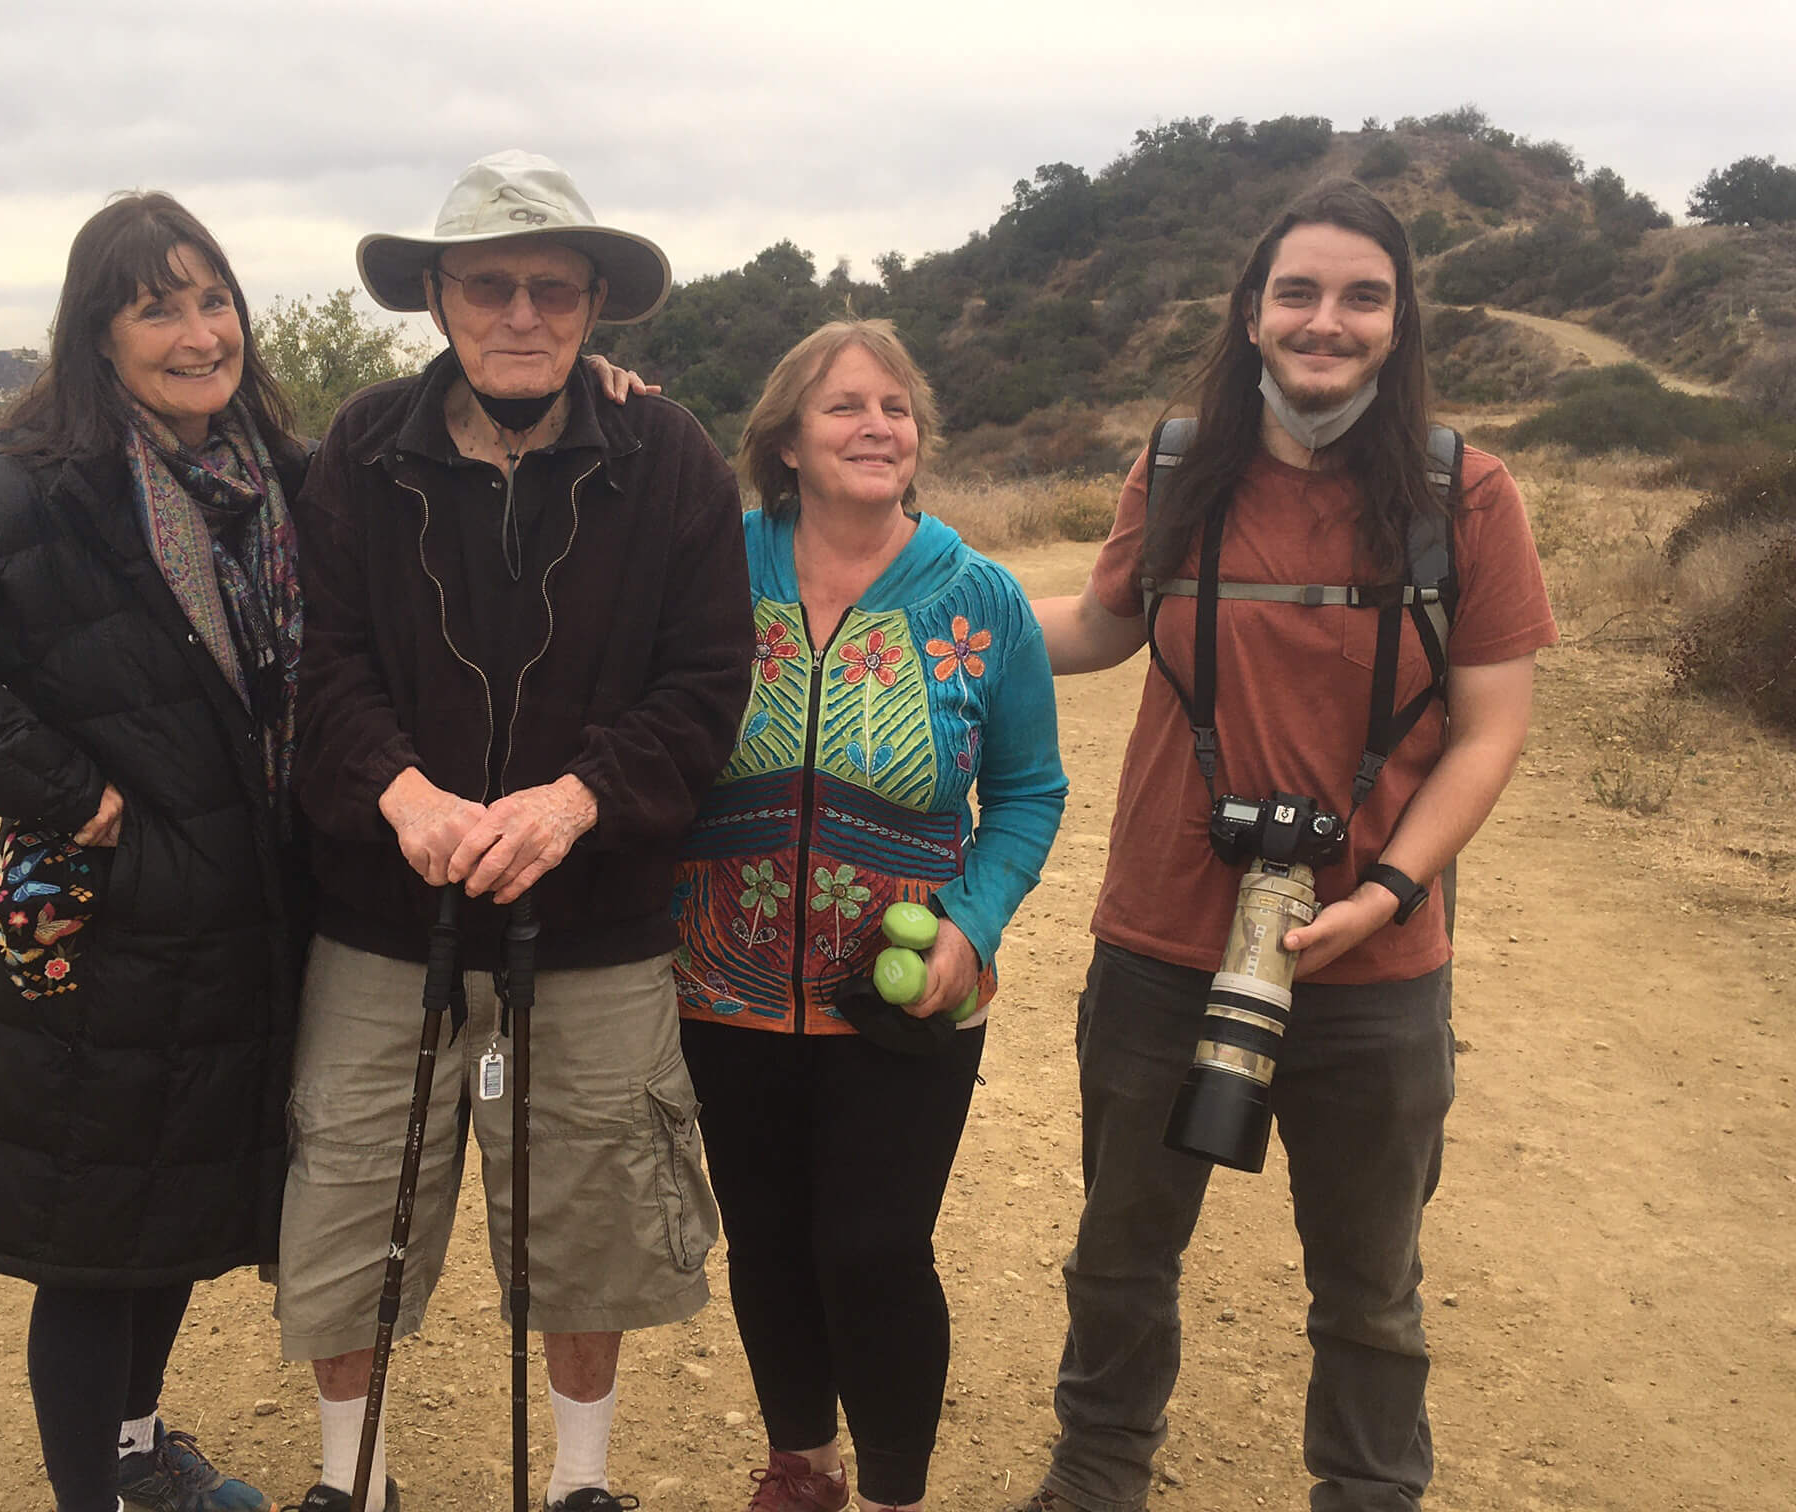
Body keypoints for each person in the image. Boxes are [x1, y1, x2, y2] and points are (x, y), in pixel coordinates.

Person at [1010, 178, 1559, 1512]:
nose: (1328, 321)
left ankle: (1369, 1492)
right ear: (1252, 312)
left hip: (1374, 963)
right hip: (1161, 935)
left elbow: (1489, 729)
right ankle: (1097, 1479)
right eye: (1299, 292)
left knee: (1369, 1280)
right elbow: (1098, 622)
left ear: (1400, 318)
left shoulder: (1465, 496)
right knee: (1122, 1251)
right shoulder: (1183, 465)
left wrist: (1383, 889)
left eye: (1361, 296)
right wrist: (912, 591)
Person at [0, 192, 308, 1512]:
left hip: (243, 920)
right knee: (97, 1237)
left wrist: (603, 392)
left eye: (214, 298)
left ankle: (139, 1456)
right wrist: (63, 787)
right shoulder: (44, 489)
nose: (200, 333)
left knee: (180, 1211)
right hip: (109, 918)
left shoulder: (274, 474)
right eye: (158, 308)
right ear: (97, 336)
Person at [274, 150, 752, 1512]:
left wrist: (577, 800)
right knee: (351, 1208)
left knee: (587, 1219)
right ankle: (348, 1487)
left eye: (555, 286)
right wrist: (400, 792)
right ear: (437, 297)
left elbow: (708, 676)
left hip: (594, 922)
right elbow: (321, 664)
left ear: (596, 303)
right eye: (492, 284)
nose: (523, 313)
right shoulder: (358, 452)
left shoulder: (670, 457)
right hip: (384, 913)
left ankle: (578, 1487)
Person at [675, 318, 1068, 1512]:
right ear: (785, 439)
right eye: (845, 406)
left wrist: (974, 924)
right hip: (721, 984)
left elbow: (1030, 790)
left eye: (895, 408)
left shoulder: (980, 598)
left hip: (906, 993)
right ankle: (804, 1465)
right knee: (768, 1243)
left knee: (874, 1250)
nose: (876, 427)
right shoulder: (706, 572)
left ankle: (896, 1492)